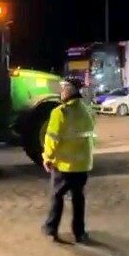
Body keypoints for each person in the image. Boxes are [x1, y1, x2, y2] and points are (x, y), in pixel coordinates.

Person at [42, 77, 96, 243]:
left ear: (71, 90)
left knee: (57, 197)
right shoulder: (88, 111)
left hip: (64, 166)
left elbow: (52, 139)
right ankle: (79, 233)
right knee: (78, 199)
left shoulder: (60, 112)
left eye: (64, 88)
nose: (61, 91)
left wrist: (47, 158)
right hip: (83, 165)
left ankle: (51, 228)